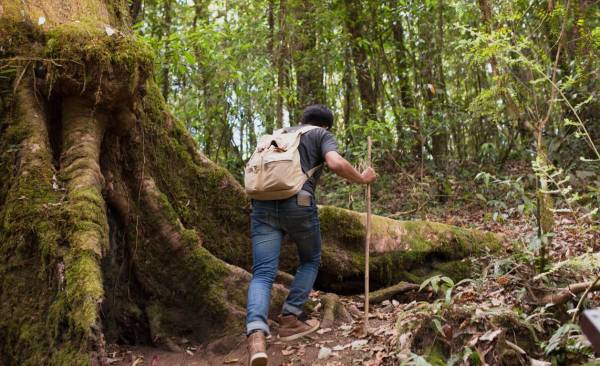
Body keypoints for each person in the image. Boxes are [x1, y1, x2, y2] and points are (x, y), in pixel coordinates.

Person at [246, 104, 377, 366]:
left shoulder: (281, 134)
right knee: (311, 260)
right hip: (298, 204)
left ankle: (257, 336)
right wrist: (362, 179)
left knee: (262, 273)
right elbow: (335, 162)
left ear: (301, 120)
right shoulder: (320, 135)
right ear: (325, 126)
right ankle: (290, 318)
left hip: (261, 205)